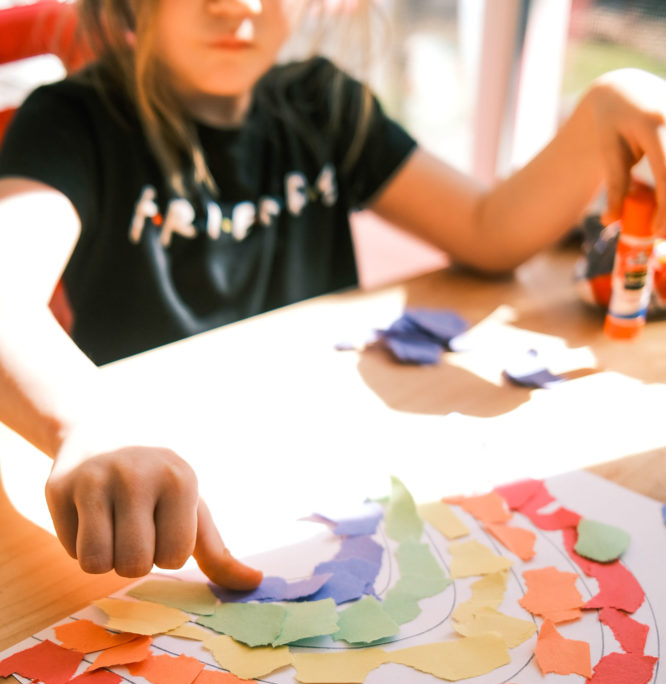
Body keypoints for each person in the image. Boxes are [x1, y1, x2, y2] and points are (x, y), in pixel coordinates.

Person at [0, 0, 665, 587]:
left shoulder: (324, 104)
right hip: (170, 503)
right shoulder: (72, 121)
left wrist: (603, 108)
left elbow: (490, 232)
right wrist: (85, 423)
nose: (238, 5)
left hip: (328, 473)